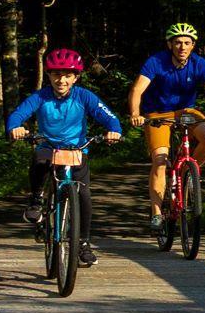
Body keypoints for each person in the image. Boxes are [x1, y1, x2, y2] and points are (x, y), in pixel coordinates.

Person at [7, 48, 124, 266]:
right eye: (56, 74)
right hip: (48, 147)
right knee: (39, 160)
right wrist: (16, 127)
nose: (61, 80)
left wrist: (114, 130)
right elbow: (18, 114)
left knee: (84, 196)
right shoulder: (40, 97)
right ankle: (36, 201)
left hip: (76, 150)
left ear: (76, 77)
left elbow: (108, 116)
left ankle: (83, 245)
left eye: (67, 75)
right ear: (49, 75)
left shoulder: (84, 96)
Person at [127, 22, 205, 232]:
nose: (182, 47)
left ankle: (188, 173)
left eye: (187, 43)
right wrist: (135, 114)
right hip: (157, 113)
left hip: (186, 111)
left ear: (193, 45)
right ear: (170, 44)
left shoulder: (199, 63)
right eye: (177, 42)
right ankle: (156, 212)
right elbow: (137, 90)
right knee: (160, 160)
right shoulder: (156, 62)